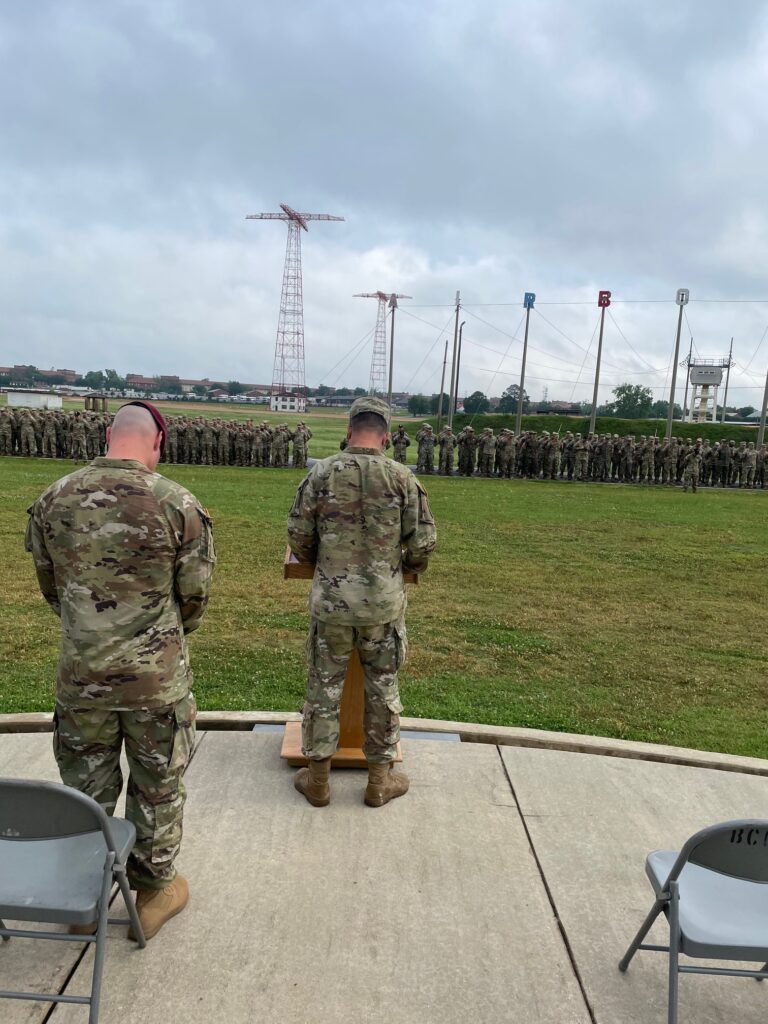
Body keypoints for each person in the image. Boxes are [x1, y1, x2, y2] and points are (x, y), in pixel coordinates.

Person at [25, 401, 216, 940]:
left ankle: (83, 893)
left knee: (85, 786)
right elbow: (195, 596)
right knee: (157, 786)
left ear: (109, 434)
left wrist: (90, 627)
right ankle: (153, 891)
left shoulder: (53, 499)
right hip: (156, 680)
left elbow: (51, 587)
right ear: (158, 443)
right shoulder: (177, 503)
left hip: (82, 676)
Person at [287, 397, 437, 808]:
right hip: (382, 606)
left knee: (323, 688)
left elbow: (298, 535)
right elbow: (423, 543)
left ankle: (318, 781)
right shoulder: (401, 478)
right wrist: (398, 565)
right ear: (386, 436)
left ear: (349, 429)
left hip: (332, 603)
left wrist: (324, 563)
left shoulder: (322, 473)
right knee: (383, 690)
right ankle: (378, 781)